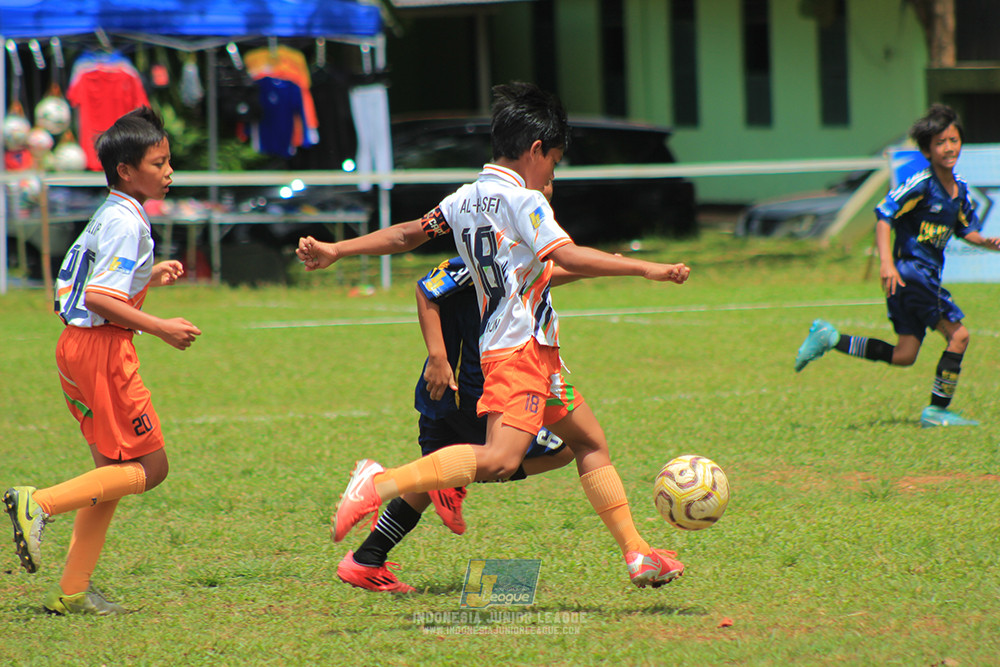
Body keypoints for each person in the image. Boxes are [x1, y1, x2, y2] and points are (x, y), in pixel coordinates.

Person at [299, 81, 691, 589]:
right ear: (534, 151)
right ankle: (379, 483)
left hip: (531, 353)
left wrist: (338, 250)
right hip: (519, 350)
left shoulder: (465, 199)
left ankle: (638, 554)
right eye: (554, 160)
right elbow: (563, 255)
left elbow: (406, 236)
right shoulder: (525, 201)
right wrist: (645, 269)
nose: (553, 172)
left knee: (588, 442)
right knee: (502, 458)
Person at [3, 106, 201, 615]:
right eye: (159, 163)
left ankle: (72, 591)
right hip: (103, 349)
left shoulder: (113, 211)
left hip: (75, 348)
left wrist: (145, 278)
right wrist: (161, 328)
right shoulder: (124, 222)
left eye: (168, 161)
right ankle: (39, 503)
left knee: (109, 474)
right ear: (126, 171)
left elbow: (92, 283)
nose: (169, 171)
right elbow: (97, 297)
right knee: (150, 467)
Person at [337, 255, 577, 593]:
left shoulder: (508, 258)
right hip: (472, 395)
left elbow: (550, 272)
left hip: (445, 397)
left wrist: (608, 266)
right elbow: (427, 289)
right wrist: (438, 357)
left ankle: (366, 560)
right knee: (562, 450)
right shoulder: (473, 259)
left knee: (427, 480)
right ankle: (395, 483)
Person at [794, 104, 1000, 427]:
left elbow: (965, 230)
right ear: (927, 151)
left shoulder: (959, 193)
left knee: (904, 355)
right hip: (912, 274)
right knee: (959, 337)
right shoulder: (921, 183)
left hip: (912, 279)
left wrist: (987, 242)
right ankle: (937, 411)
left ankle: (831, 338)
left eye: (954, 140)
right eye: (941, 142)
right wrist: (886, 263)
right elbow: (883, 215)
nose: (949, 148)